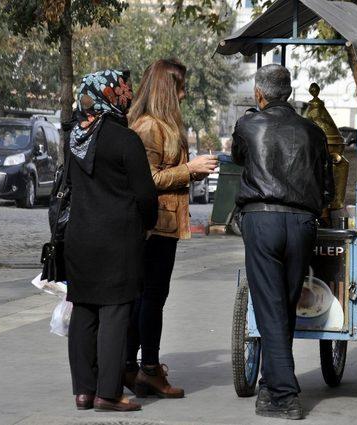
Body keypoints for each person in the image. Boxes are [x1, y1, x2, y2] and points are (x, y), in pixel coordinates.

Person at [232, 64, 333, 420]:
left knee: (271, 309)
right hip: (303, 223)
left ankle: (284, 394)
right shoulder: (313, 131)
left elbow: (238, 159)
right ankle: (271, 385)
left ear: (260, 94)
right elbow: (327, 187)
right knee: (283, 306)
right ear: (288, 93)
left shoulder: (247, 125)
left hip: (262, 220)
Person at [64, 69, 158, 412]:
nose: (127, 97)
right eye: (123, 93)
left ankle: (84, 392)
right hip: (117, 239)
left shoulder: (73, 139)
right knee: (116, 313)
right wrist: (147, 225)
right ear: (112, 96)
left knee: (84, 311)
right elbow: (146, 195)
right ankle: (108, 393)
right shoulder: (124, 139)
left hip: (79, 238)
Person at [126, 59, 218, 398]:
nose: (184, 93)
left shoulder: (161, 125)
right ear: (168, 88)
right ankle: (145, 366)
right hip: (153, 225)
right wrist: (189, 170)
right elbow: (146, 179)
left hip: (164, 223)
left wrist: (191, 171)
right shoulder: (149, 127)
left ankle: (138, 365)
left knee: (152, 296)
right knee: (149, 297)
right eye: (180, 87)